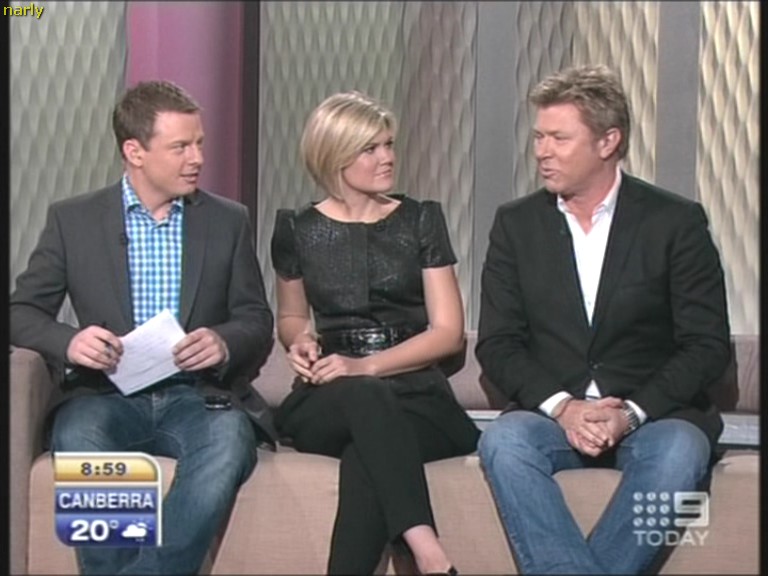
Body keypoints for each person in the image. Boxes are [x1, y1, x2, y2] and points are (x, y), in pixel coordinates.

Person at [10, 80, 275, 575]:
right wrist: (71, 341)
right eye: (180, 147)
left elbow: (256, 319)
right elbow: (21, 312)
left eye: (199, 143)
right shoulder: (74, 220)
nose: (197, 158)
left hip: (197, 397)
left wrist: (222, 342)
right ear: (135, 151)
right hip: (104, 395)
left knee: (228, 442)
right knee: (81, 437)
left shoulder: (227, 220)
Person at [475, 64, 731, 575]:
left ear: (608, 141)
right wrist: (565, 407)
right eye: (539, 137)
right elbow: (499, 342)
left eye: (559, 138)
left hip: (653, 416)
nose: (542, 151)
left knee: (680, 451)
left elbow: (706, 345)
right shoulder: (516, 224)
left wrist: (629, 413)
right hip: (554, 415)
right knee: (504, 441)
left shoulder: (674, 222)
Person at [270, 91, 480, 575]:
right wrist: (300, 340)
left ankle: (422, 553)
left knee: (366, 458)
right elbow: (292, 317)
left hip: (417, 396)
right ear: (335, 156)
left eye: (388, 144)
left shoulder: (420, 219)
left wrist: (365, 366)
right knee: (365, 399)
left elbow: (448, 333)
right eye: (370, 148)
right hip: (331, 398)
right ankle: (428, 550)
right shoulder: (297, 229)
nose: (387, 157)